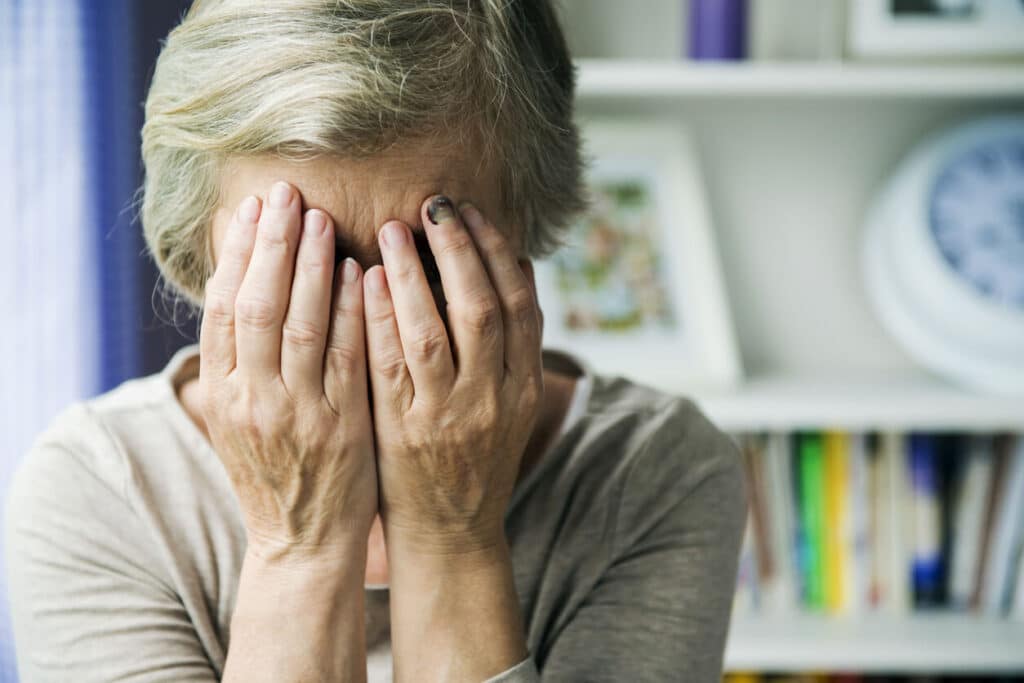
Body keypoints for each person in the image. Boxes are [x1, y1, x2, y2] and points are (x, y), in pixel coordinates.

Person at [5, 1, 746, 681]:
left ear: (527, 223)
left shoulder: (658, 474)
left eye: (422, 265)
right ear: (199, 248)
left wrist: (453, 537)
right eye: (299, 266)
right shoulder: (100, 491)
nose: (371, 335)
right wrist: (298, 549)